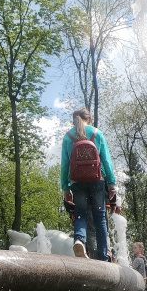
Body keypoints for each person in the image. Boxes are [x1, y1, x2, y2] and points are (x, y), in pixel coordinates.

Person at [60, 107, 115, 261]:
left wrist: (65, 187)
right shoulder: (96, 133)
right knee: (100, 218)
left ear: (74, 120)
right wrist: (112, 184)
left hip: (77, 183)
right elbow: (106, 160)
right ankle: (104, 256)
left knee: (80, 215)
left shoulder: (68, 137)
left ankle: (79, 240)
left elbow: (64, 165)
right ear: (89, 119)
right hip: (97, 181)